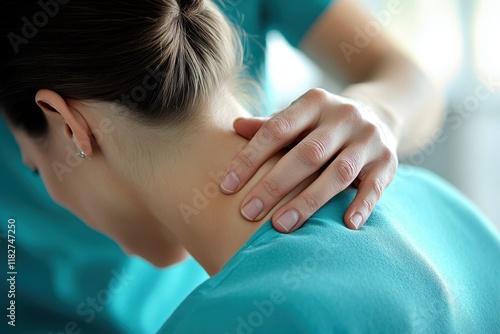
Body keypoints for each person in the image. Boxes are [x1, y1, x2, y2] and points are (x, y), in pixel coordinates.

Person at [1, 0, 498, 333]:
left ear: (68, 126)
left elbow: (404, 78)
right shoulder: (448, 210)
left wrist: (383, 110)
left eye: (37, 170)